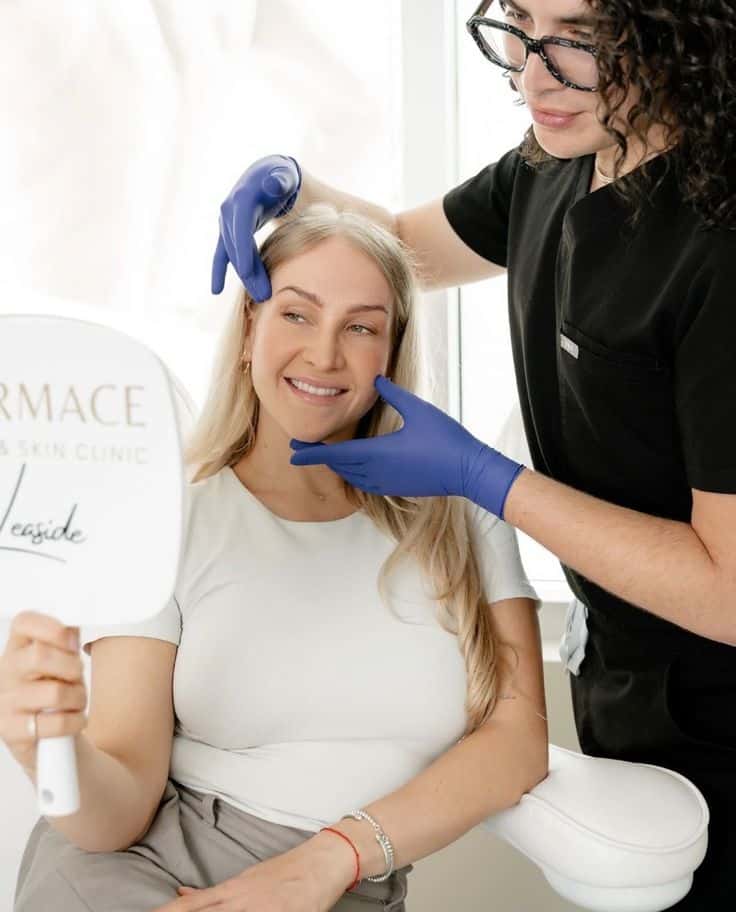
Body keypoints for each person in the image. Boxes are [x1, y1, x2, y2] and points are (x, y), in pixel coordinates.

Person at [211, 2, 736, 907]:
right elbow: (411, 248)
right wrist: (304, 192)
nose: (533, 77)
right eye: (522, 29)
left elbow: (730, 594)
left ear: (682, 31)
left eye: (580, 39)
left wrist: (486, 481)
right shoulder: (558, 157)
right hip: (623, 675)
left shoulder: (716, 246)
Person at [4, 206, 546, 912]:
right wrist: (53, 748)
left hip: (341, 882)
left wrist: (329, 861)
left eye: (360, 326)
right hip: (141, 870)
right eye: (296, 314)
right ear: (248, 332)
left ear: (391, 353)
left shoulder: (462, 507)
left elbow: (520, 741)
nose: (324, 354)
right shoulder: (172, 516)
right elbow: (120, 812)